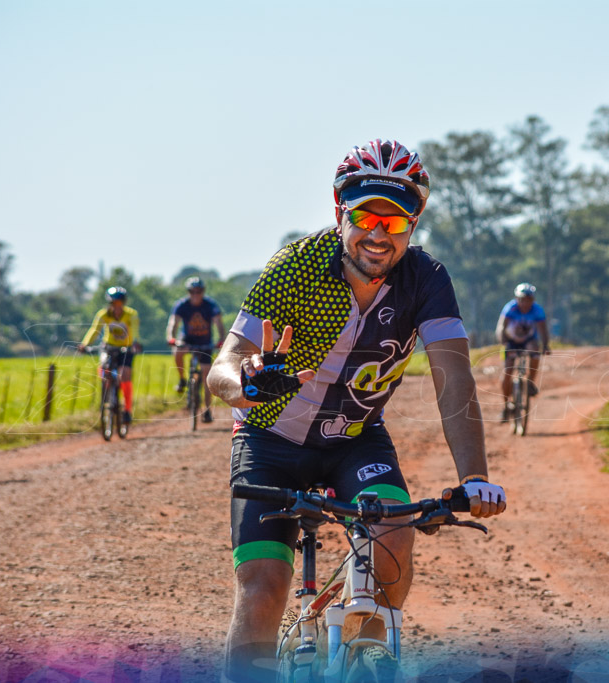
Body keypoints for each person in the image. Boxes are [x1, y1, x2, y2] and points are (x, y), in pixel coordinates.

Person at [207, 139, 507, 682]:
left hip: (356, 439)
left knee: (392, 541)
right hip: (269, 440)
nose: (378, 234)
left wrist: (475, 477)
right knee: (264, 587)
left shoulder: (427, 280)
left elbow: (455, 382)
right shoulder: (294, 268)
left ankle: (362, 656)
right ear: (340, 214)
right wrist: (247, 385)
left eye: (395, 223)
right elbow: (221, 369)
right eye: (366, 217)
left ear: (412, 227)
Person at [166, 276, 227, 423]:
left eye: (198, 291)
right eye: (192, 291)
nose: (195, 294)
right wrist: (171, 338)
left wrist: (221, 341)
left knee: (207, 376)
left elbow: (219, 324)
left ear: (203, 292)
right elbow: (173, 323)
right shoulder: (181, 305)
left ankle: (207, 410)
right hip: (187, 339)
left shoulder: (210, 305)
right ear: (188, 292)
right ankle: (182, 379)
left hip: (205, 342)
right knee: (178, 351)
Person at [78, 287, 141, 424]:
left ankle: (127, 410)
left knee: (124, 375)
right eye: (114, 303)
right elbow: (95, 330)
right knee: (104, 368)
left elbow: (135, 330)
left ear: (123, 303)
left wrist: (135, 343)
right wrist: (84, 344)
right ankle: (108, 393)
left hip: (126, 349)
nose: (116, 306)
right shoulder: (103, 314)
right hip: (108, 347)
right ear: (110, 303)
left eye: (119, 303)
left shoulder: (131, 314)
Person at [496, 282, 550, 422]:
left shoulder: (537, 310)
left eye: (528, 300)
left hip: (528, 341)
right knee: (507, 371)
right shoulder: (510, 308)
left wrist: (545, 345)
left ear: (533, 300)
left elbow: (543, 330)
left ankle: (530, 383)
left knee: (535, 352)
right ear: (516, 298)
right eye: (522, 299)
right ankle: (506, 405)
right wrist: (504, 343)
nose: (525, 303)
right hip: (511, 341)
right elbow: (501, 327)